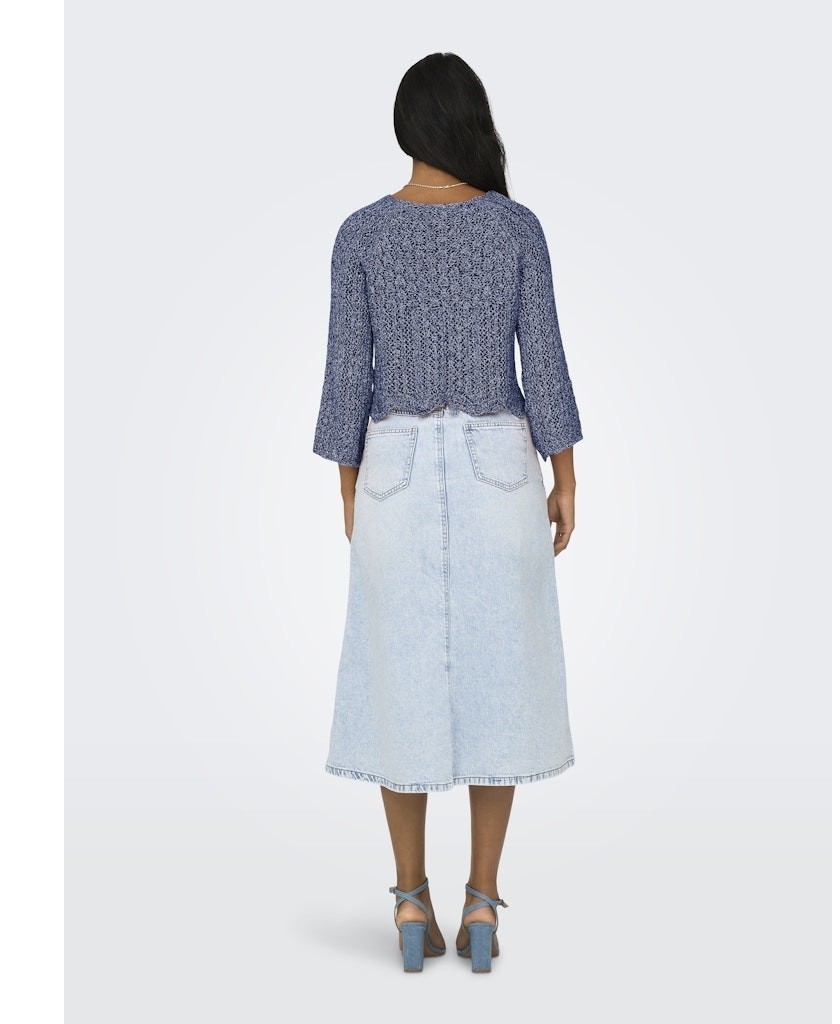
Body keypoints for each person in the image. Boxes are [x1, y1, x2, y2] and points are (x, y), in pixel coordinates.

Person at [312, 52, 583, 974]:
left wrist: (349, 490)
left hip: (390, 465)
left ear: (406, 126)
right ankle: (482, 903)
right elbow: (544, 361)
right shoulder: (514, 226)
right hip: (501, 466)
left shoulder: (360, 234)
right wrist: (566, 477)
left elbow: (345, 376)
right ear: (472, 121)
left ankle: (407, 899)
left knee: (401, 685)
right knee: (503, 683)